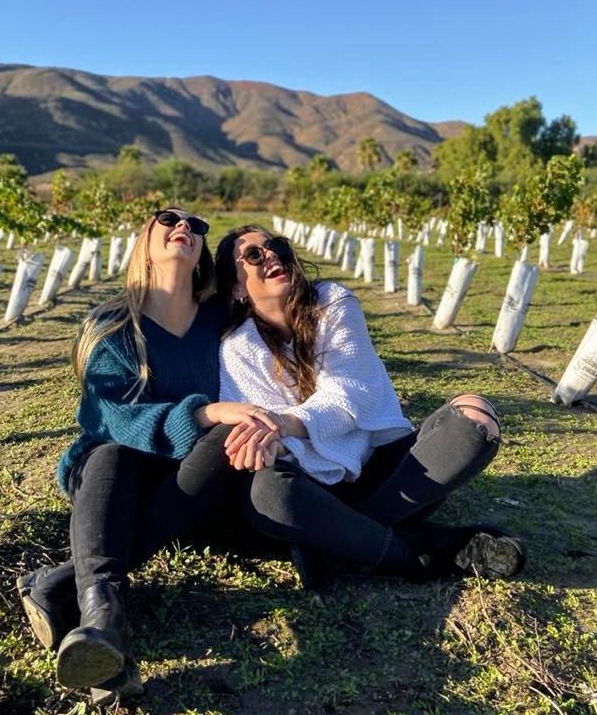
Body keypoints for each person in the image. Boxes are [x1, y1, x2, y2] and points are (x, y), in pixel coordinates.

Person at [17, 209, 280, 699]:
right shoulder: (113, 326)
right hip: (114, 478)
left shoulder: (222, 322)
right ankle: (104, 618)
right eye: (168, 219)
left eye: (197, 226)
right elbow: (112, 417)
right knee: (115, 452)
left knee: (227, 441)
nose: (185, 227)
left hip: (195, 483)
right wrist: (204, 412)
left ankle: (61, 587)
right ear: (144, 242)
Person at [214, 225, 525, 586]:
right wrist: (272, 440)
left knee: (475, 416)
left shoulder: (332, 302)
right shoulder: (237, 349)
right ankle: (418, 553)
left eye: (276, 247)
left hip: (381, 467)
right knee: (266, 493)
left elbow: (351, 392)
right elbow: (265, 439)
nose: (270, 256)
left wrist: (283, 425)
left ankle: (340, 545)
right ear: (236, 287)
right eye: (253, 255)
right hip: (314, 486)